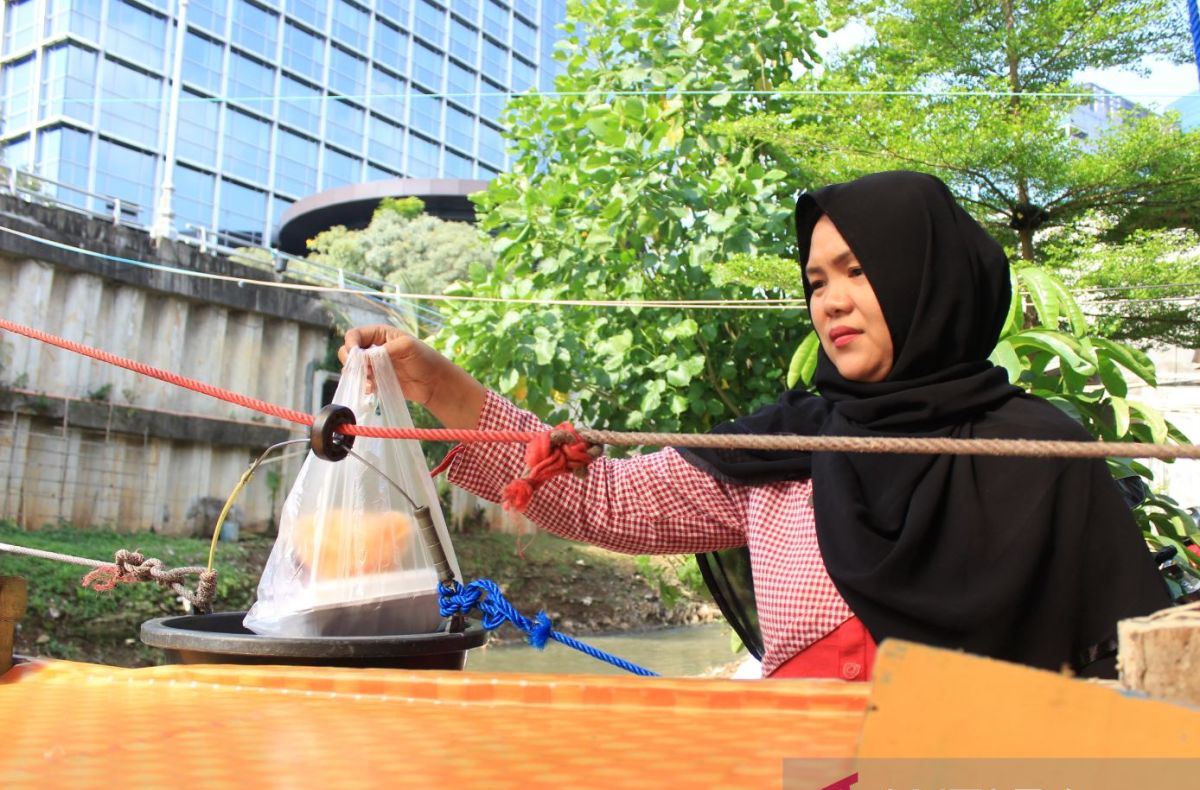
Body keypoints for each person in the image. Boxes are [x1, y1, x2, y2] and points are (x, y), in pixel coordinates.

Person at [340, 171, 1170, 680]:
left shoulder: (1045, 456)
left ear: (932, 279)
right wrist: (438, 384)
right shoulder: (791, 447)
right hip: (793, 775)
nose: (831, 300)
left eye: (857, 270)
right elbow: (608, 503)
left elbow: (1124, 674)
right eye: (816, 279)